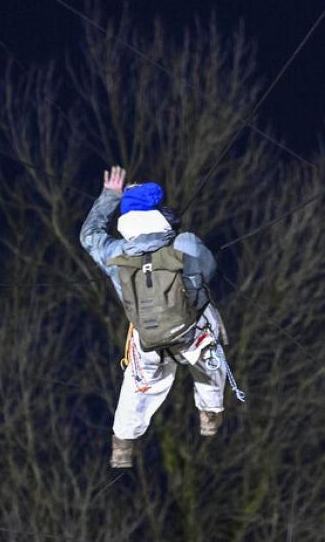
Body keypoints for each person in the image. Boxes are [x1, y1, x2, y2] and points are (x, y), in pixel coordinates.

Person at [80, 165, 240, 469]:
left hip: (148, 340)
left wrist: (110, 196)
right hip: (192, 335)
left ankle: (122, 444)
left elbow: (89, 236)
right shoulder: (186, 243)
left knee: (138, 385)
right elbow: (209, 270)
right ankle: (210, 414)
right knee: (211, 359)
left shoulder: (115, 253)